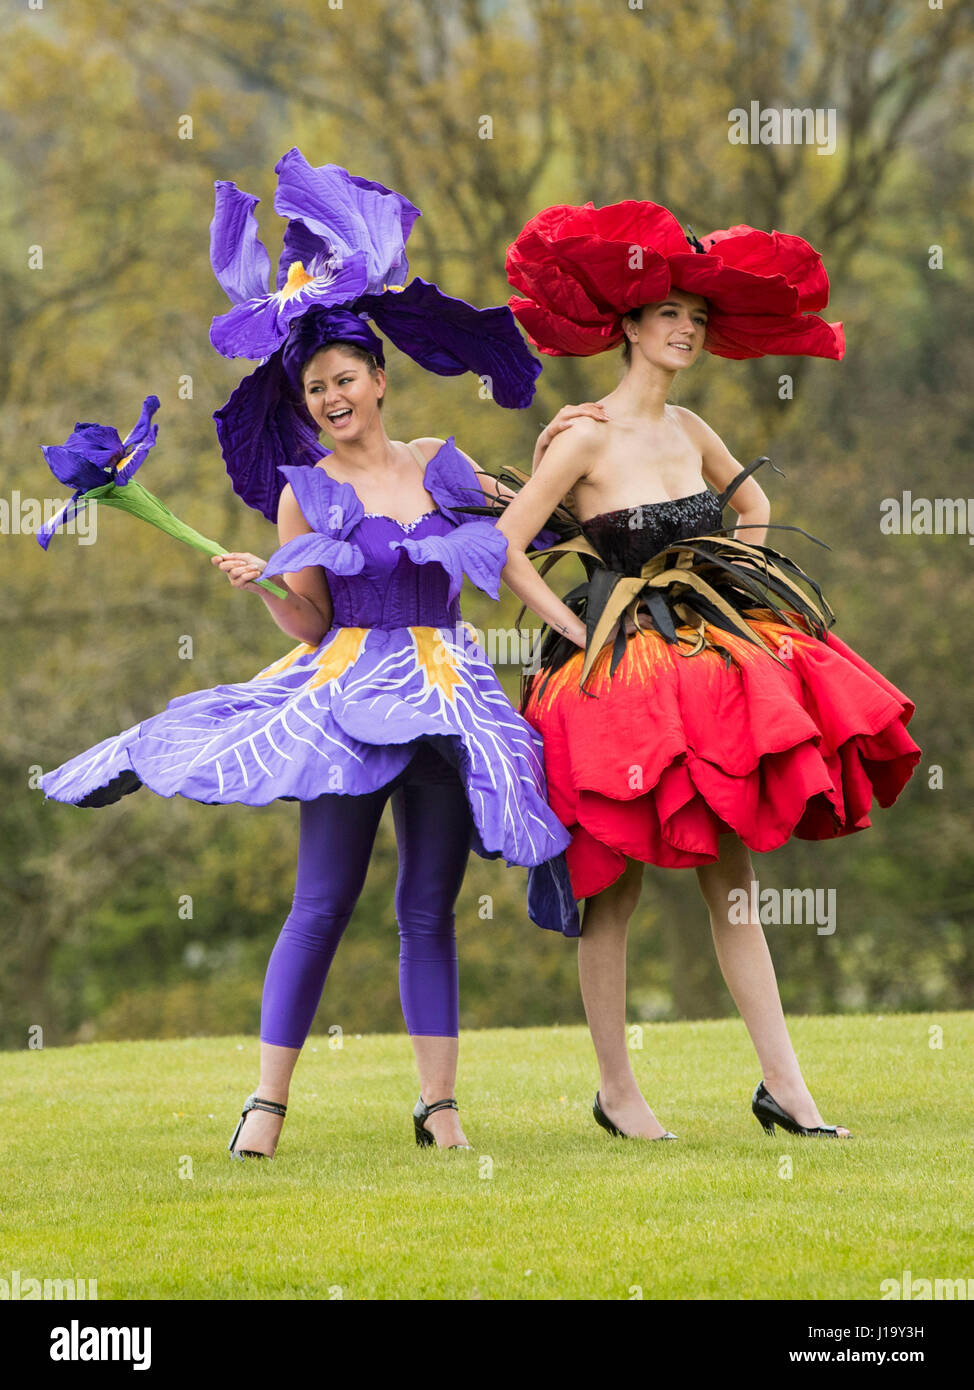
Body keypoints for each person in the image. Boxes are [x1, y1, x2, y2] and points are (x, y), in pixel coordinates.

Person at [37, 155, 574, 1157]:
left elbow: (520, 532)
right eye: (315, 386)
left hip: (449, 698)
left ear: (379, 378)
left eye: (345, 379)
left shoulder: (440, 462)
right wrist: (265, 581)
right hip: (345, 703)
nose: (331, 396)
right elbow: (310, 623)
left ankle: (440, 1108)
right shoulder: (305, 490)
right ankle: (266, 1104)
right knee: (321, 902)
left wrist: (566, 452)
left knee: (428, 909)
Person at [492, 198, 921, 1142]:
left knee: (733, 880)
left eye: (696, 318)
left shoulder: (689, 429)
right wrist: (575, 625)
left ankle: (787, 1091)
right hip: (610, 686)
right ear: (630, 325)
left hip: (705, 673)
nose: (685, 329)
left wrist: (737, 587)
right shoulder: (583, 436)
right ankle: (618, 1093)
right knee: (612, 886)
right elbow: (505, 546)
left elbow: (752, 506)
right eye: (668, 315)